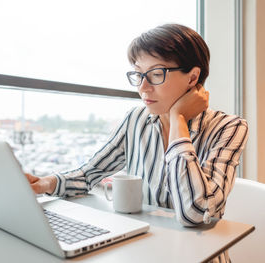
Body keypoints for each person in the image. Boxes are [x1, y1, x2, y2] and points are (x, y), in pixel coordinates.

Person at [25, 23, 248, 262]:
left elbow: (194, 212)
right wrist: (43, 184)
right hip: (146, 252)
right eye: (139, 74)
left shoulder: (230, 127)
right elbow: (90, 173)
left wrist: (178, 121)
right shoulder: (136, 119)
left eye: (155, 74)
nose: (143, 87)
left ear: (193, 77)